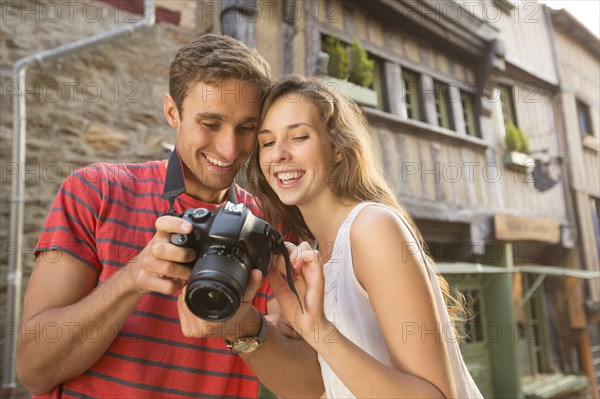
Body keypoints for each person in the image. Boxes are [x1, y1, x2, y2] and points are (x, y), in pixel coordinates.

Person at [16, 35, 323, 398]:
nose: (229, 149)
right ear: (172, 112)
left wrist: (242, 325)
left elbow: (307, 388)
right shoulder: (95, 191)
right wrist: (133, 278)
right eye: (210, 123)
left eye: (246, 128)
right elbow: (33, 369)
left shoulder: (268, 227)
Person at [248, 75, 484, 398]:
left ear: (338, 149)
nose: (278, 154)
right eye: (267, 142)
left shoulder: (372, 228)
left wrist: (319, 331)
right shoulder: (314, 259)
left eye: (299, 136)